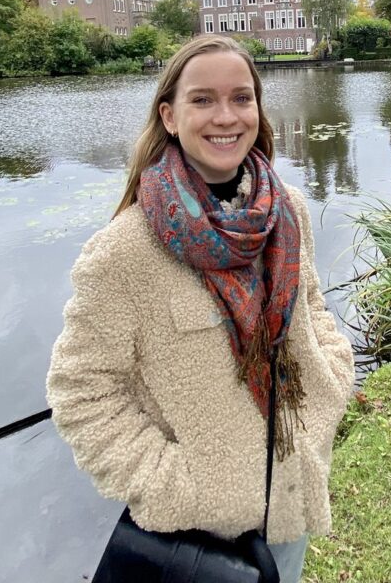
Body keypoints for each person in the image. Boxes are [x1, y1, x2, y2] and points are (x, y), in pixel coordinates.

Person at [47, 36, 354, 583]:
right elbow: (81, 394)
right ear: (169, 115)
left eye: (241, 98)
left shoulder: (287, 212)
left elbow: (310, 308)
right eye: (203, 100)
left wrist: (330, 385)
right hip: (203, 533)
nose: (226, 117)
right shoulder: (126, 252)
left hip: (291, 495)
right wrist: (182, 487)